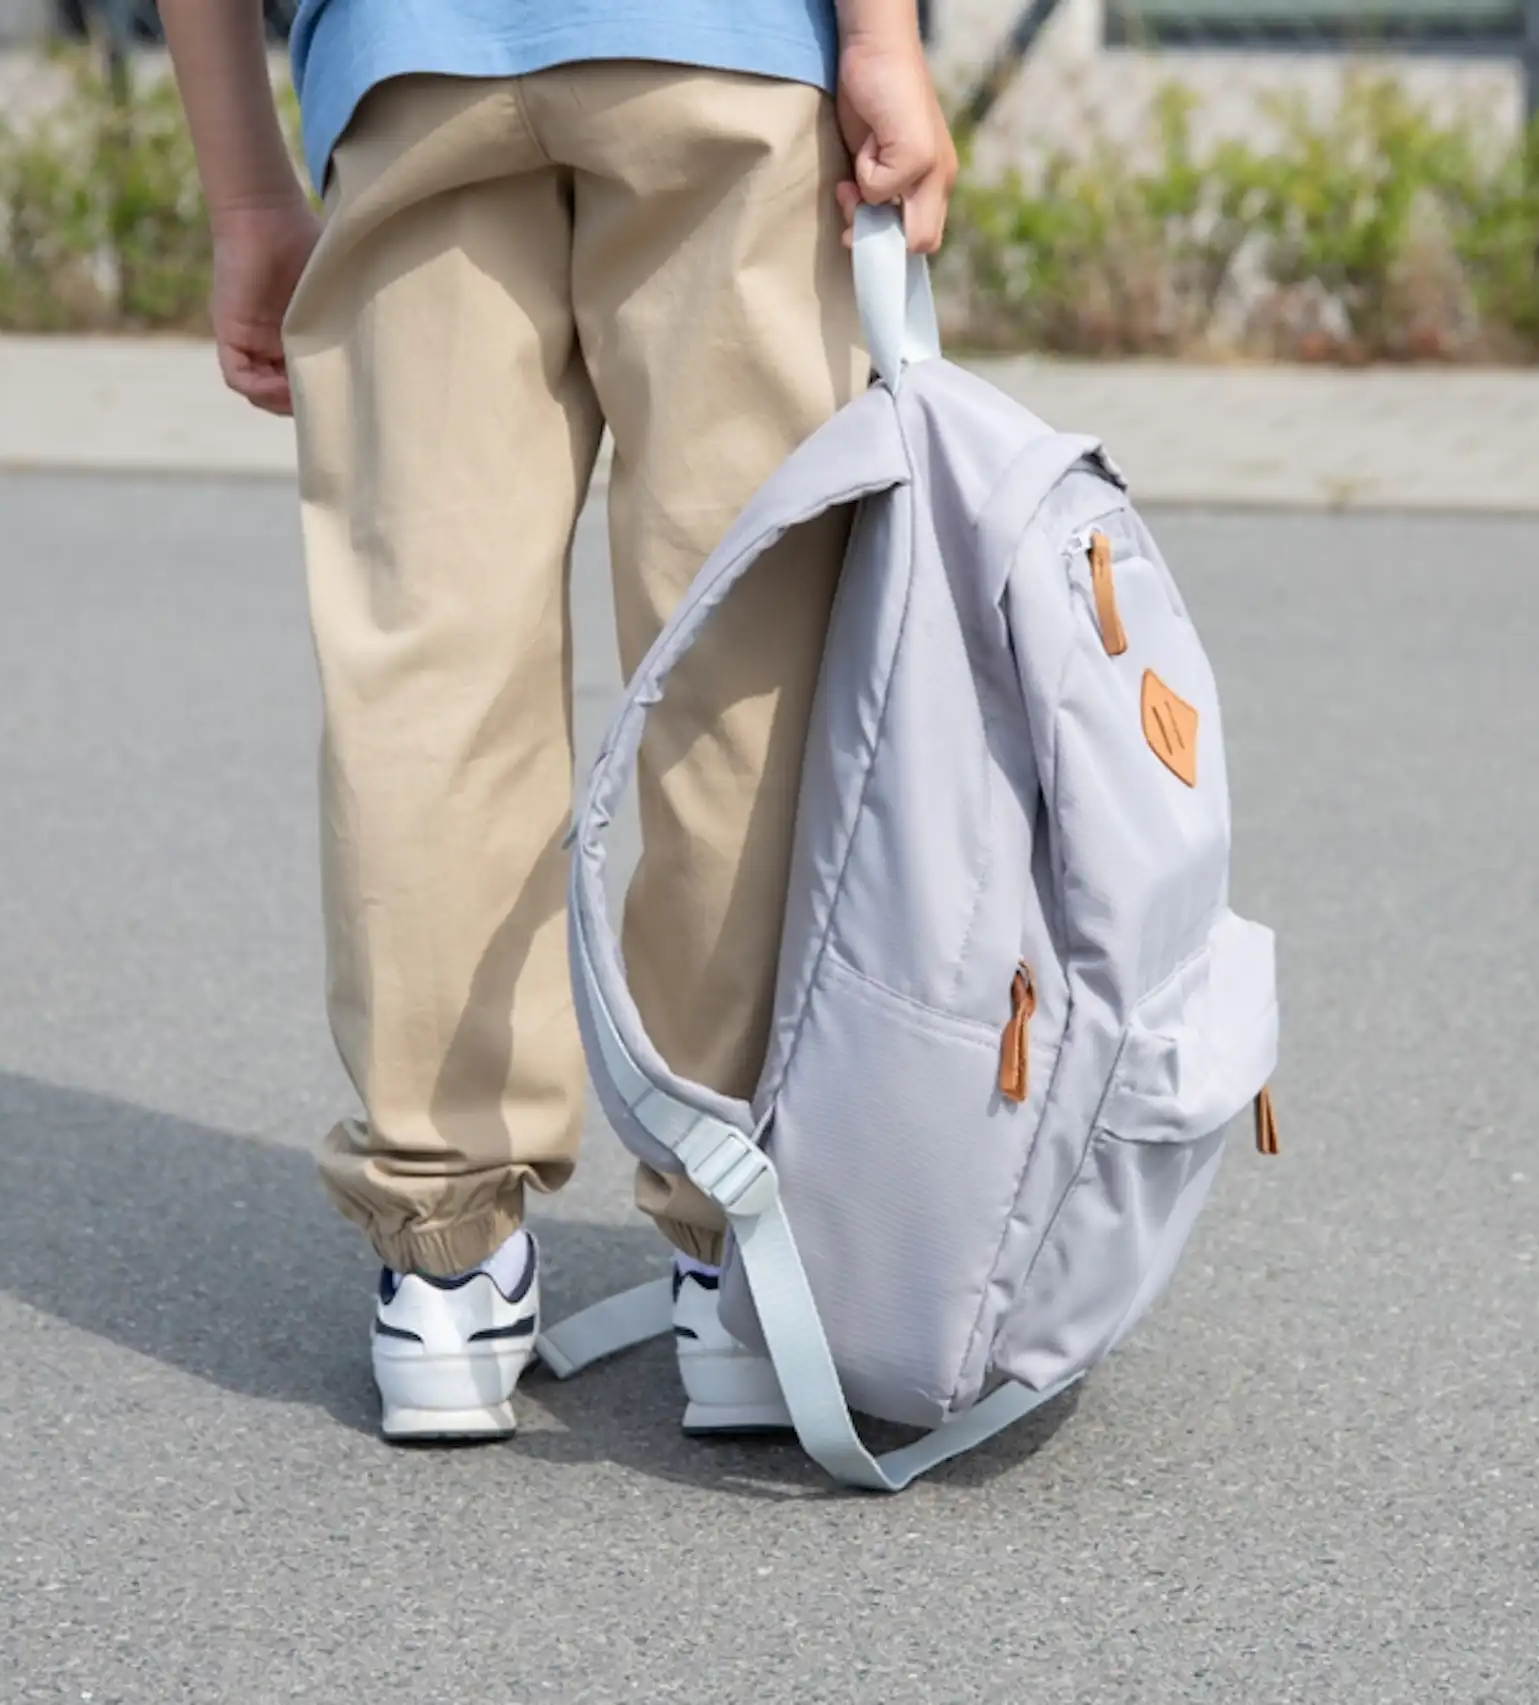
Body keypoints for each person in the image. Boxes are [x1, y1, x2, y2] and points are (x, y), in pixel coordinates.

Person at [154, 0, 958, 1441]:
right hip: (720, 51)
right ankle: (743, 1243)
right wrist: (884, 38)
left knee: (427, 660)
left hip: (404, 69)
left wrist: (246, 190)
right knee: (744, 654)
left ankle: (445, 1264)